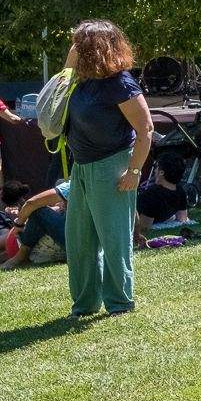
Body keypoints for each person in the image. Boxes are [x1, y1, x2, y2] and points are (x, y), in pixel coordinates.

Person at [59, 20, 153, 318]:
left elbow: (146, 129)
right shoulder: (80, 81)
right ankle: (85, 304)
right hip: (82, 168)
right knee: (79, 241)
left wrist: (134, 171)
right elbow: (58, 87)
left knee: (114, 239)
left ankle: (120, 302)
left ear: (95, 48)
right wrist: (71, 61)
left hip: (112, 166)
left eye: (80, 44)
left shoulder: (120, 83)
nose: (75, 48)